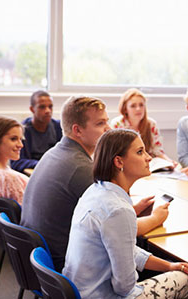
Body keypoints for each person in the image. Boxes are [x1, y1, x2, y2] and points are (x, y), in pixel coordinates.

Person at [21, 96, 168, 272]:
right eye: (100, 124)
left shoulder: (55, 153)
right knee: (161, 262)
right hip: (64, 268)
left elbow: (103, 218)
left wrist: (133, 210)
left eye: (106, 121)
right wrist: (156, 218)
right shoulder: (81, 168)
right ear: (77, 130)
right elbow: (121, 231)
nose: (108, 129)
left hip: (40, 262)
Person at [63, 129, 188, 298]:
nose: (149, 157)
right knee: (187, 279)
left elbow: (126, 250)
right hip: (99, 295)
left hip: (80, 291)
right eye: (140, 152)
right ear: (118, 161)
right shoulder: (119, 210)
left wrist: (168, 266)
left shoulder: (95, 191)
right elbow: (124, 288)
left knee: (172, 270)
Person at [111, 88, 176, 166]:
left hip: (148, 165)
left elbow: (158, 151)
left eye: (141, 105)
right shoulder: (117, 124)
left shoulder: (151, 124)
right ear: (125, 109)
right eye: (133, 106)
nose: (138, 109)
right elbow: (116, 153)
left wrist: (170, 162)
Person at [11, 90, 62, 173]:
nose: (48, 111)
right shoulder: (23, 130)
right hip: (32, 174)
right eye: (42, 107)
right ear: (32, 109)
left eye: (50, 106)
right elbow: (16, 162)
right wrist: (41, 164)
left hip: (54, 171)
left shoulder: (58, 127)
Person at [0, 116, 29, 204]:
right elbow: (26, 215)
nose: (20, 145)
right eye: (13, 139)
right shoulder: (11, 180)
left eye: (21, 139)